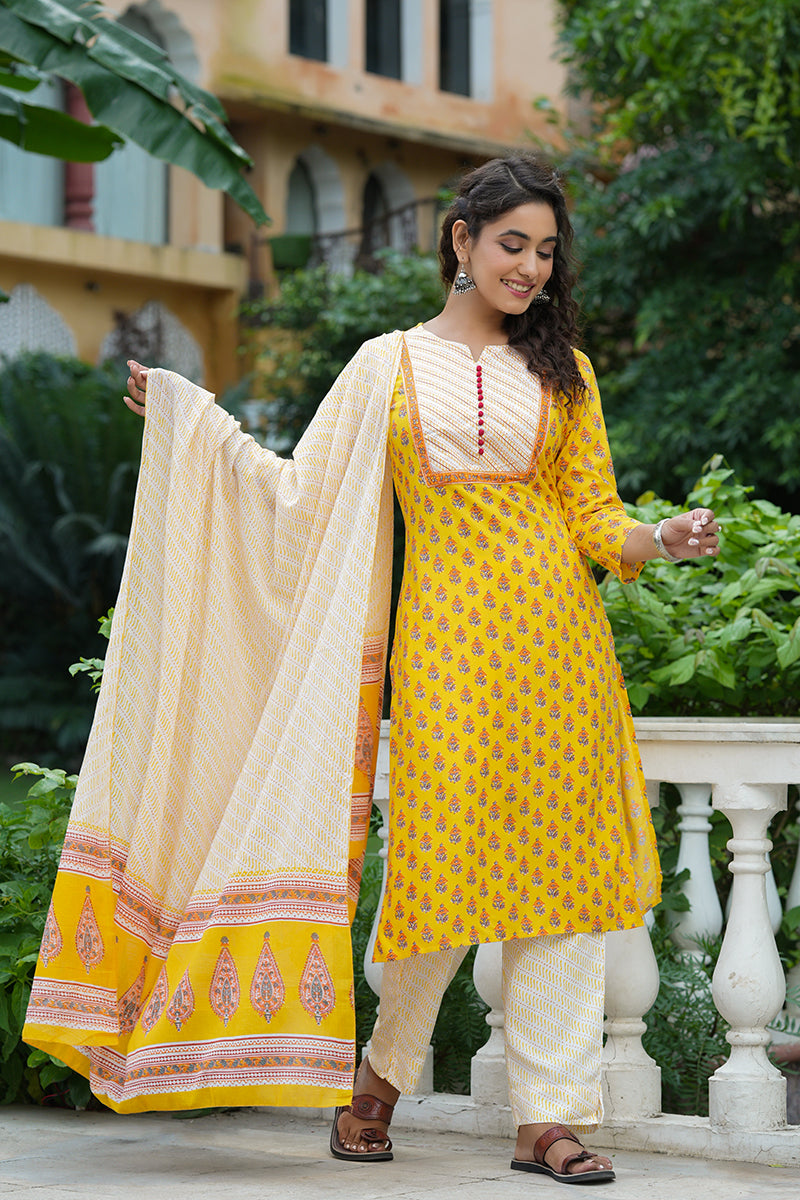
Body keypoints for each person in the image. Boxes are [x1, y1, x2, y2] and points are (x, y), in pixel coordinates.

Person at [26, 154, 719, 1185]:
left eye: (542, 251)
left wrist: (658, 538)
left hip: (560, 645)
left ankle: (548, 1121)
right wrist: (189, 417)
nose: (526, 267)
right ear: (461, 240)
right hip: (443, 647)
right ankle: (377, 1080)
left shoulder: (563, 375)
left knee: (566, 888)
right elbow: (298, 496)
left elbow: (592, 519)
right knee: (440, 869)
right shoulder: (383, 365)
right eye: (509, 245)